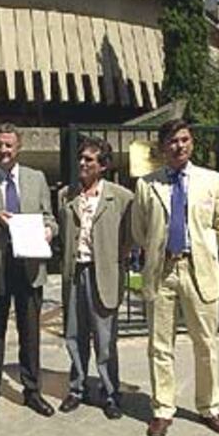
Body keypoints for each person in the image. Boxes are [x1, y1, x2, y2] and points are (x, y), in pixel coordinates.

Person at [132, 119, 219, 436]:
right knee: (160, 345)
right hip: (162, 272)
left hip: (198, 270)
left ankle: (209, 407)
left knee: (205, 344)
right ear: (163, 148)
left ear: (192, 143)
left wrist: (202, 250)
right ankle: (163, 408)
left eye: (185, 140)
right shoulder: (147, 184)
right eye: (173, 141)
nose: (179, 146)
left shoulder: (212, 181)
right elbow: (139, 229)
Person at [0, 123, 58, 423]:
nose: (4, 150)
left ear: (18, 147)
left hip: (29, 266)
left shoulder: (37, 178)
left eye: (9, 145)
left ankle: (32, 391)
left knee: (30, 333)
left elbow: (51, 219)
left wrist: (48, 231)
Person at [58, 137, 133, 419]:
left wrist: (116, 259)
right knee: (74, 336)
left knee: (105, 339)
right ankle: (77, 389)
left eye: (89, 159)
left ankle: (111, 393)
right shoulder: (67, 195)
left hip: (104, 273)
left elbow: (131, 235)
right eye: (81, 158)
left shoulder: (121, 196)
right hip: (74, 273)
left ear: (102, 166)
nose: (82, 163)